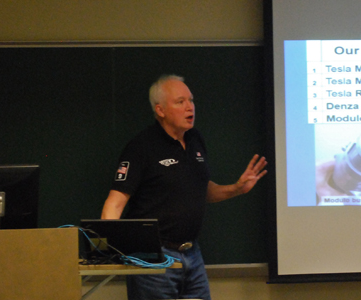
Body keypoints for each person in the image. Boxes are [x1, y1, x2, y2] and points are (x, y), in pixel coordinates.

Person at [100, 74, 267, 300]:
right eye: (180, 102)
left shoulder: (195, 139)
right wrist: (106, 251)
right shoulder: (141, 147)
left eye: (191, 100)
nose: (190, 107)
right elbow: (115, 203)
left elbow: (201, 190)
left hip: (192, 255)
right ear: (160, 110)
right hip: (153, 257)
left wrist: (236, 188)